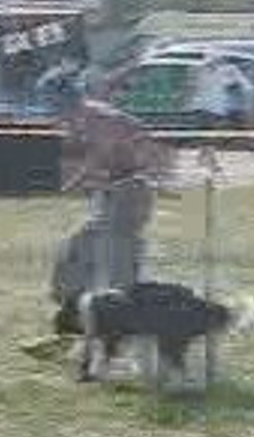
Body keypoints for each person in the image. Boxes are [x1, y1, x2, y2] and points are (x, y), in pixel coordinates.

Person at [48, 79, 174, 312]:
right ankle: (72, 305)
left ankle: (128, 314)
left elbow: (103, 155)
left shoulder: (100, 118)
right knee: (77, 249)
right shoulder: (84, 119)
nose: (60, 118)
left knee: (119, 261)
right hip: (112, 192)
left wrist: (78, 180)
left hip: (130, 191)